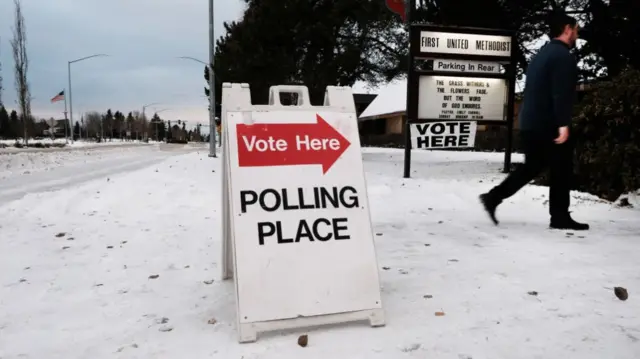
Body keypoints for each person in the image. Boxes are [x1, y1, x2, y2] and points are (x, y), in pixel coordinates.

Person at [480, 13, 589, 231]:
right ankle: (558, 217)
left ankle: (493, 197)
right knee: (561, 168)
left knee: (533, 166)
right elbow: (560, 94)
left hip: (531, 121)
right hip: (548, 123)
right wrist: (563, 124)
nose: (577, 32)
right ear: (567, 28)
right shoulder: (562, 56)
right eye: (575, 28)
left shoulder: (542, 54)